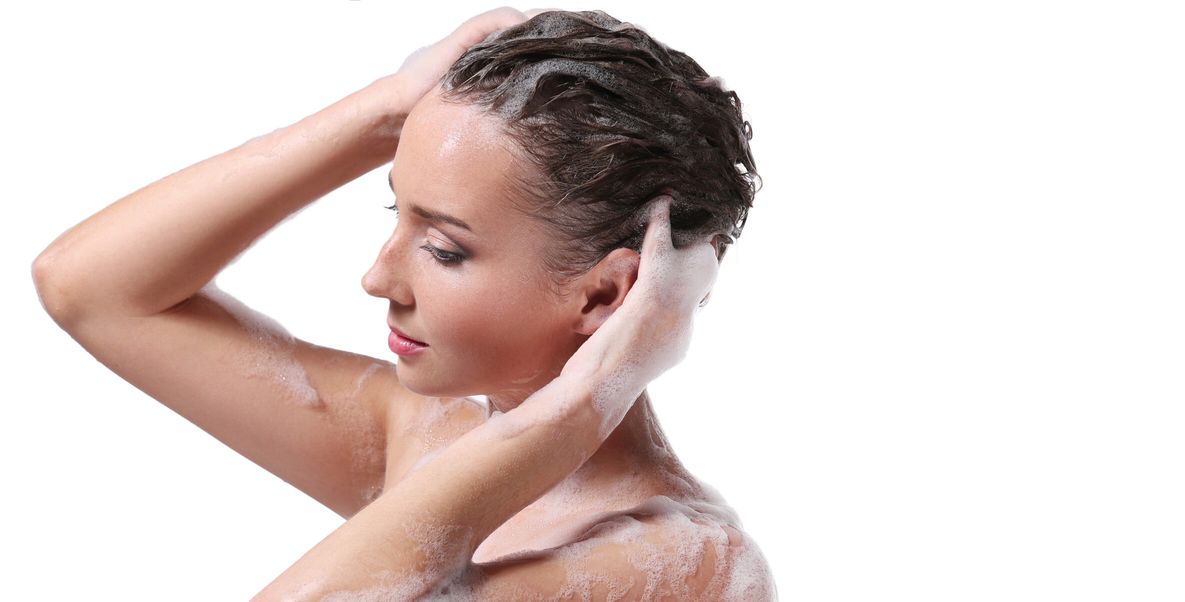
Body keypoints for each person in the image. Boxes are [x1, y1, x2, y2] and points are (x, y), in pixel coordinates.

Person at [32, 6, 773, 600]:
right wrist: (389, 111)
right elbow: (91, 288)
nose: (377, 278)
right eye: (398, 218)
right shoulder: (427, 434)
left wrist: (576, 413)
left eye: (445, 249)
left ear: (608, 292)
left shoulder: (686, 566)